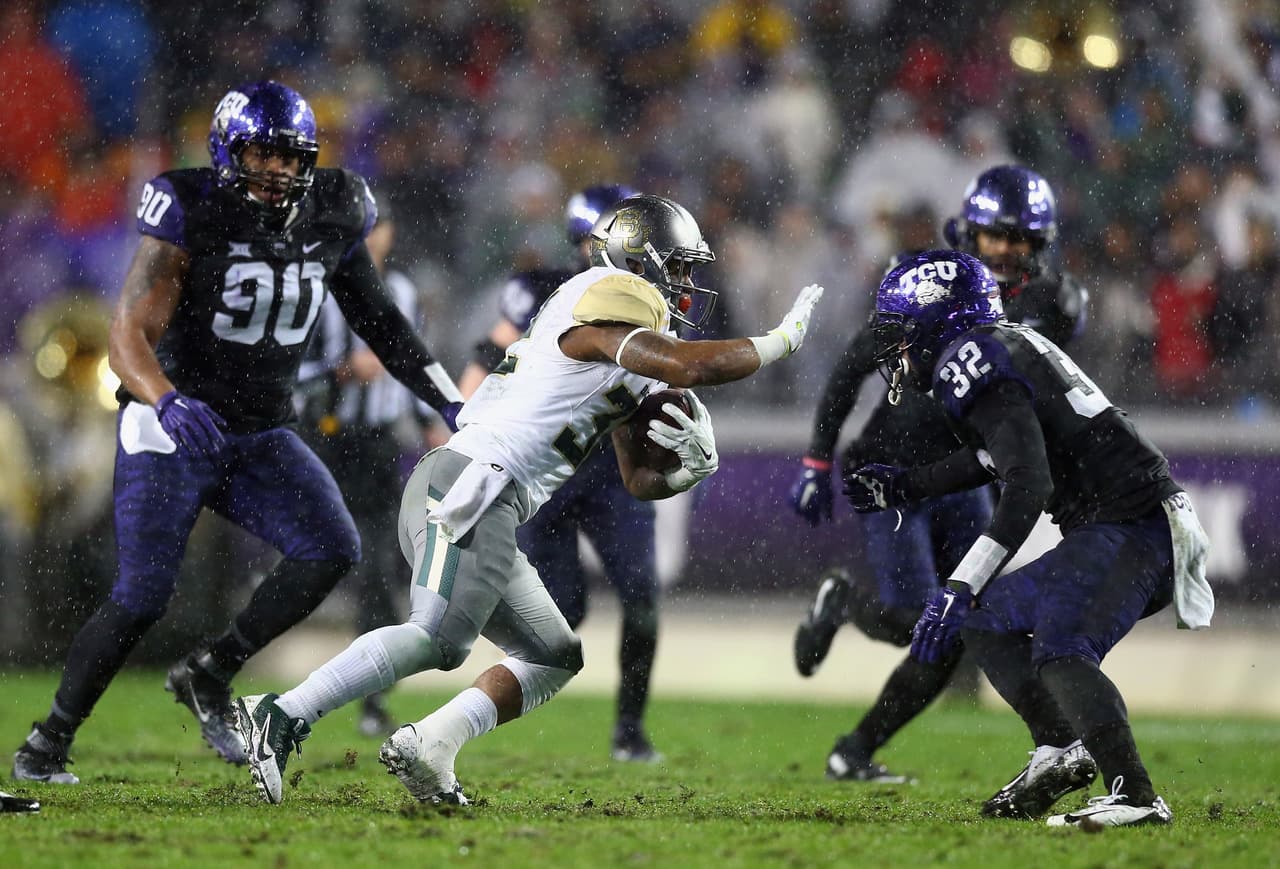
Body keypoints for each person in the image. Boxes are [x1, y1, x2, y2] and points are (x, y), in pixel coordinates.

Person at [231, 194, 824, 805]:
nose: (685, 283)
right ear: (634, 260)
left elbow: (634, 476)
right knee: (438, 636)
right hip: (469, 482)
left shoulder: (632, 351)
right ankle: (281, 713)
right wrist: (779, 341)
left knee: (551, 653)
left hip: (493, 498)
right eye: (676, 266)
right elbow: (684, 365)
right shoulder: (599, 296)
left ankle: (431, 744)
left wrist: (683, 473)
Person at [12, 81, 464, 785]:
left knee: (331, 547)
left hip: (259, 430)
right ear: (227, 150)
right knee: (142, 594)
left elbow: (384, 325)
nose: (277, 170)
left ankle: (211, 670)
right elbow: (128, 330)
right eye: (261, 153)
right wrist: (163, 400)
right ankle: (49, 739)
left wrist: (447, 399)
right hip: (176, 424)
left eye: (290, 157)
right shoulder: (191, 206)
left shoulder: (335, 209)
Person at [844, 249, 1212, 827]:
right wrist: (910, 487)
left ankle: (1136, 795)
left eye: (902, 333)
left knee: (1062, 647)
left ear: (936, 324)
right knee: (986, 621)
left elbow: (1028, 484)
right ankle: (1057, 748)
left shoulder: (969, 356)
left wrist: (961, 582)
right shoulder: (998, 345)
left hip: (1134, 523)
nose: (896, 350)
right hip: (1125, 521)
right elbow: (1004, 454)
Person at [788, 166, 1088, 783]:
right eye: (996, 234)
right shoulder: (934, 284)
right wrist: (818, 457)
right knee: (911, 621)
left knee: (954, 627)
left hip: (967, 477)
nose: (1008, 248)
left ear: (1042, 242)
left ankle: (855, 750)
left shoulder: (1053, 304)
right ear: (970, 231)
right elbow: (851, 368)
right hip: (895, 466)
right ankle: (846, 601)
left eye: (1021, 237)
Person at [457, 184, 667, 763]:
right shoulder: (545, 290)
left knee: (643, 600)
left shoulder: (651, 299)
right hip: (546, 472)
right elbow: (489, 355)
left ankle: (630, 730)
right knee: (561, 614)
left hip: (610, 468)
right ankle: (473, 717)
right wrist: (461, 431)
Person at [295, 200, 438, 737]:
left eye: (377, 227)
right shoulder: (318, 290)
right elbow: (289, 375)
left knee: (379, 569)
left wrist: (431, 418)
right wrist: (340, 373)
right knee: (318, 564)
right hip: (325, 441)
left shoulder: (400, 291)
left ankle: (374, 699)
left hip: (377, 447)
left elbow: (412, 360)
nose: (371, 237)